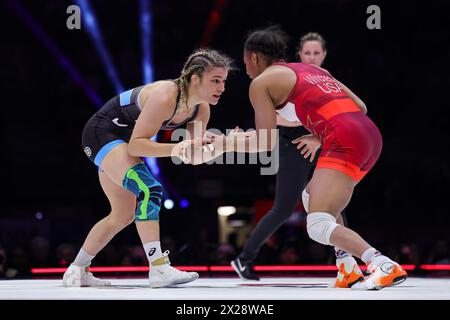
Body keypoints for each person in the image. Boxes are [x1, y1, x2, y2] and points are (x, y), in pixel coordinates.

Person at [205, 26, 407, 290]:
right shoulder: (313, 70)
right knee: (311, 197)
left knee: (317, 223)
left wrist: (224, 143)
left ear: (254, 57)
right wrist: (318, 134)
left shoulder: (261, 83)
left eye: (245, 63)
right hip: (369, 136)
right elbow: (360, 107)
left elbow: (265, 142)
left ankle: (381, 264)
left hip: (344, 140)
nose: (246, 70)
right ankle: (347, 268)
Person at [63, 48, 233, 288]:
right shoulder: (166, 95)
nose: (222, 88)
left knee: (122, 215)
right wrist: (176, 148)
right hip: (101, 133)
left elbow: (192, 156)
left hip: (122, 141)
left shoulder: (202, 108)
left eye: (224, 81)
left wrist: (224, 146)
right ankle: (158, 267)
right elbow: (136, 146)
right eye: (215, 81)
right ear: (195, 79)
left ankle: (77, 269)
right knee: (149, 189)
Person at [231, 32, 361, 288]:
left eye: (316, 53)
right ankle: (245, 257)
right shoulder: (287, 77)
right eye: (307, 53)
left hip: (328, 138)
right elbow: (279, 120)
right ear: (298, 55)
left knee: (333, 202)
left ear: (324, 55)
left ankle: (347, 263)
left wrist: (318, 137)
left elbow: (354, 110)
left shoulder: (322, 78)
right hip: (296, 142)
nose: (311, 57)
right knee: (286, 206)